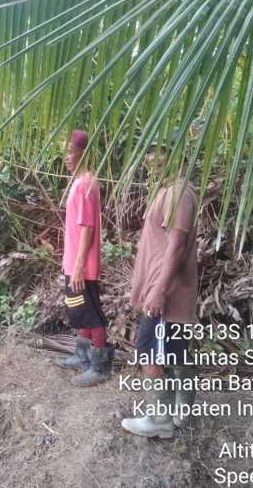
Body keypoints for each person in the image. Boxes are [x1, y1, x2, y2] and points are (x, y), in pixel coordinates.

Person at [121, 130, 199, 438]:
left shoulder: (178, 192)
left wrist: (157, 290)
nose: (153, 157)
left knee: (151, 354)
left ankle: (159, 420)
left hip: (165, 296)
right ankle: (183, 409)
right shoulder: (173, 190)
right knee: (175, 352)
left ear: (179, 155)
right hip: (167, 293)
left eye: (161, 150)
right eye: (150, 151)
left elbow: (176, 246)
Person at [56, 130, 114, 386]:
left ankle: (101, 367)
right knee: (79, 308)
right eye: (66, 152)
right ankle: (82, 356)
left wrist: (79, 266)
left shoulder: (86, 183)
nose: (66, 157)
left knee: (91, 312)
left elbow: (88, 227)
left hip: (83, 265)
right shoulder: (79, 182)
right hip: (74, 262)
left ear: (84, 153)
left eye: (70, 152)